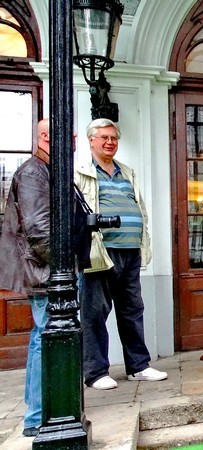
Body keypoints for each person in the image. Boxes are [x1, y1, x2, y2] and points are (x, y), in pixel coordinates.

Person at [0, 119, 89, 437]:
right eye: (70, 133)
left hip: (53, 270)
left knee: (42, 337)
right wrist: (65, 268)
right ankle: (38, 416)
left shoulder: (50, 169)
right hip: (48, 272)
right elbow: (39, 229)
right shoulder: (34, 172)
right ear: (46, 136)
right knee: (46, 339)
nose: (75, 139)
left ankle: (38, 412)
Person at [75, 118, 167, 390]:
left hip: (130, 251)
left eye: (113, 138)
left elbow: (139, 208)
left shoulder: (126, 172)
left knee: (132, 309)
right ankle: (95, 373)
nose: (109, 142)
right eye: (103, 137)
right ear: (91, 140)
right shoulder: (80, 172)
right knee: (95, 313)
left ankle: (138, 366)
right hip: (100, 252)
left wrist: (142, 236)